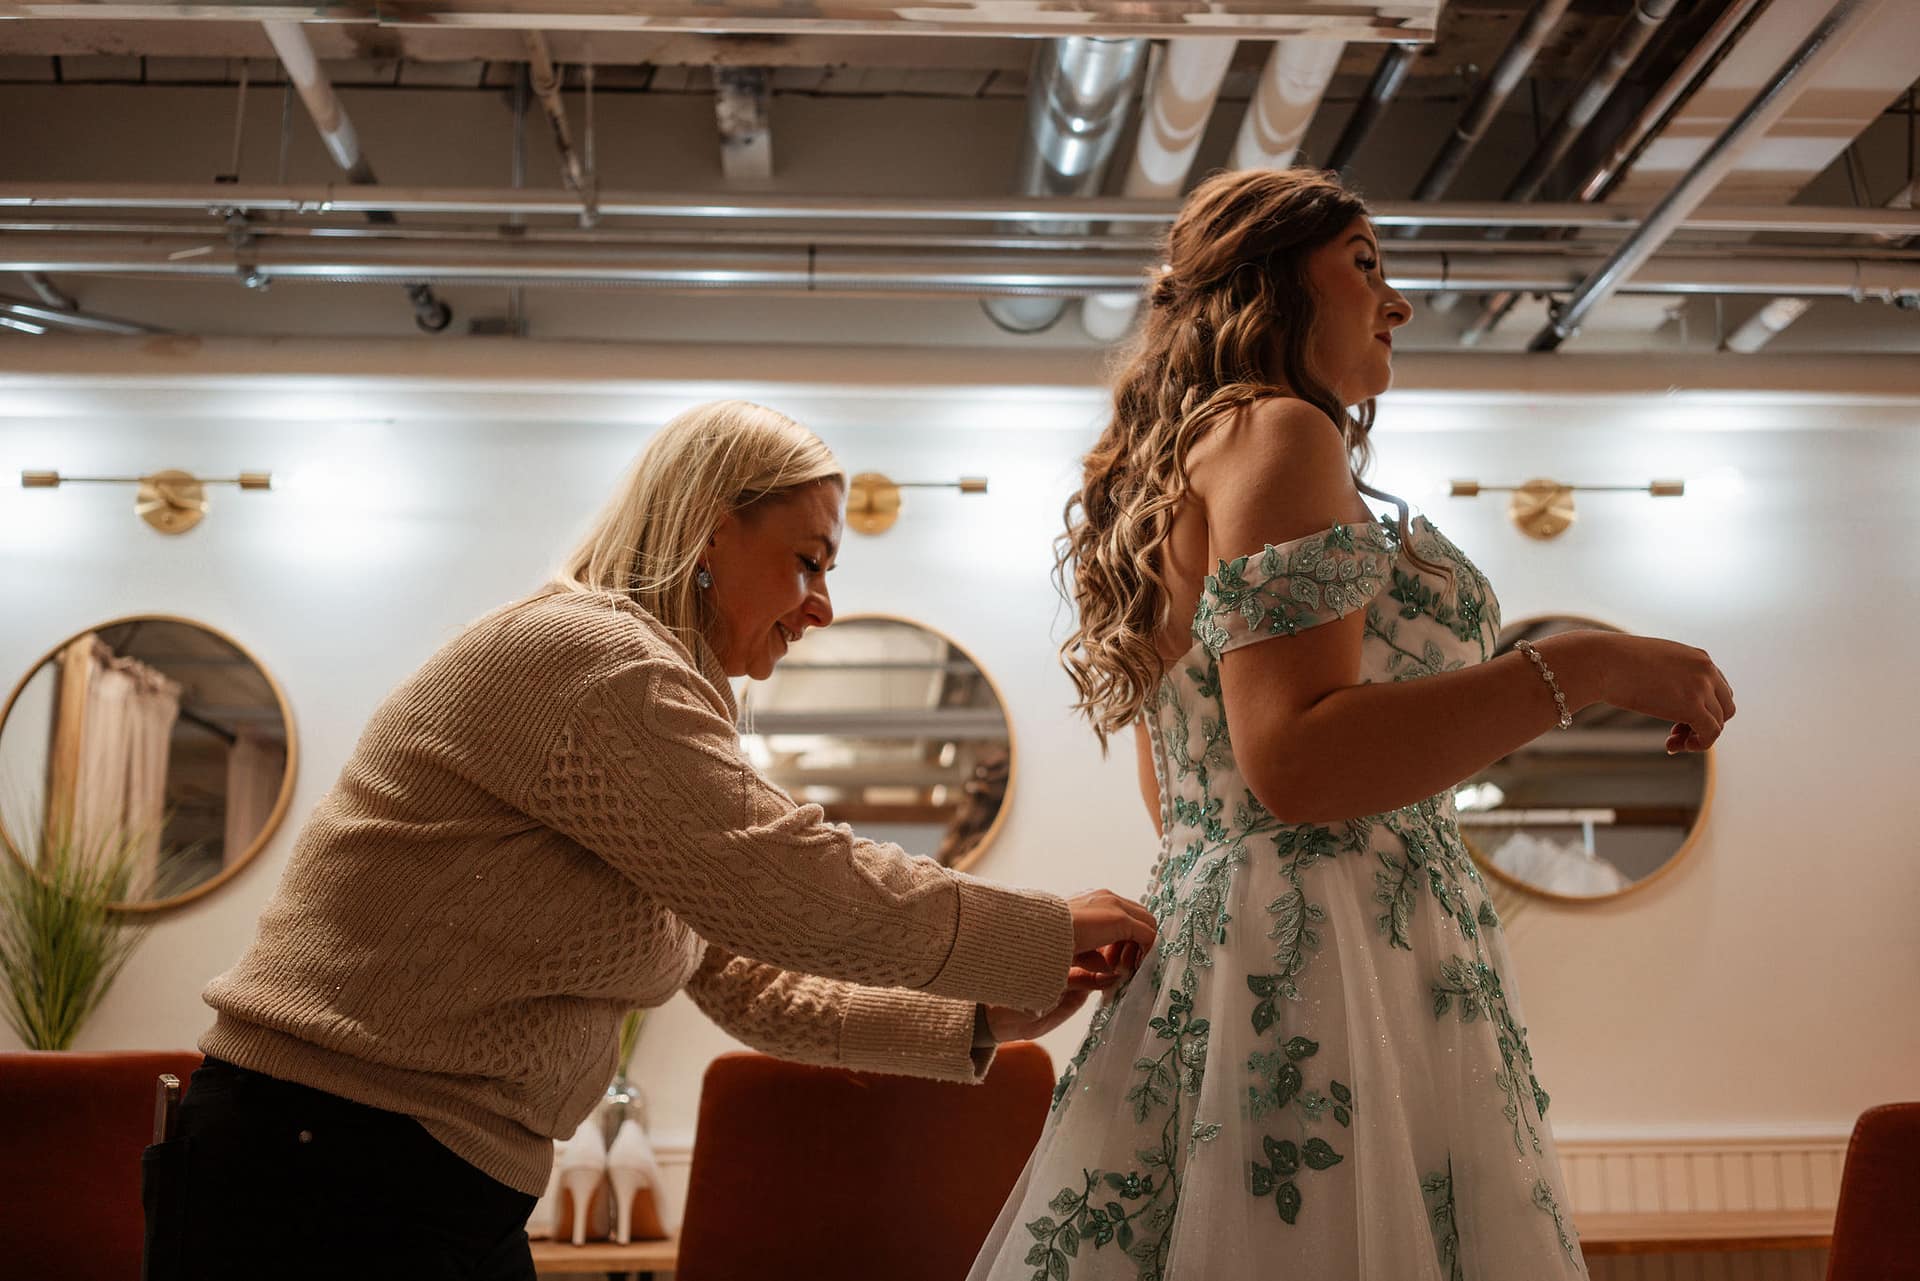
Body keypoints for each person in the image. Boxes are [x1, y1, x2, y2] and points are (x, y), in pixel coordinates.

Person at [145, 400, 1157, 1281]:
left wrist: (973, 1017)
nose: (823, 606)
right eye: (807, 561)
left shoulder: (649, 693)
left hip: (410, 1175)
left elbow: (744, 979)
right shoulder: (596, 662)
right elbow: (791, 886)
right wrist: (1041, 928)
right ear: (710, 533)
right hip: (323, 1162)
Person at [968, 169, 1736, 1280]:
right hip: (1324, 957)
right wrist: (1583, 665)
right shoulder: (1280, 430)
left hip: (1237, 942)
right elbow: (1295, 765)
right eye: (1367, 264)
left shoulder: (1188, 456)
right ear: (1275, 283)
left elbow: (1188, 794)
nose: (1399, 302)